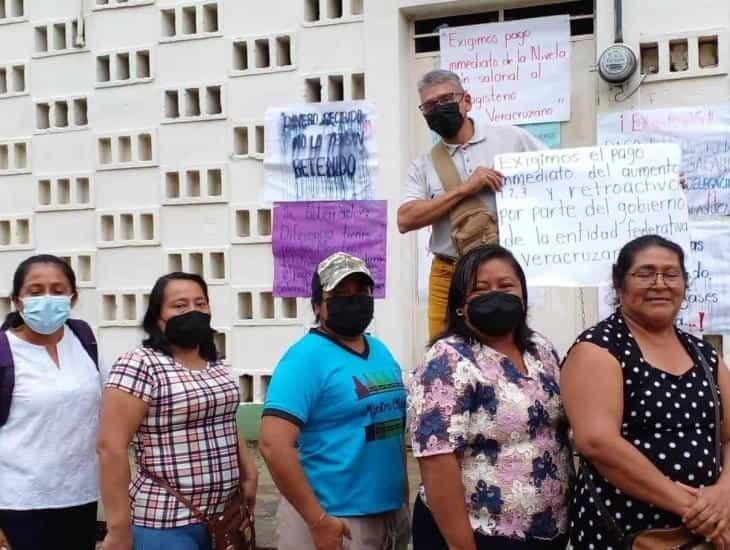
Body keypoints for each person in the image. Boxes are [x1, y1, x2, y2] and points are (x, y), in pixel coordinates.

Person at [561, 235, 730, 548]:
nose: (660, 283)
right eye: (645, 273)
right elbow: (597, 443)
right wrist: (695, 509)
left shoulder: (704, 355)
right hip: (629, 534)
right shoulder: (599, 349)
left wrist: (723, 494)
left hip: (705, 533)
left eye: (671, 274)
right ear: (619, 283)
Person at [408, 245, 571, 550]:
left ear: (523, 294)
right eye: (480, 289)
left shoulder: (540, 349)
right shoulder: (447, 360)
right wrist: (461, 545)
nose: (495, 294)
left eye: (506, 285)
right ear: (459, 304)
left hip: (547, 530)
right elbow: (437, 460)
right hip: (478, 533)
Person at [259, 252, 410, 550]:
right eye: (339, 294)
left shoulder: (380, 350)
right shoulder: (304, 359)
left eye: (361, 292)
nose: (353, 300)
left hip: (389, 513)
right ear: (318, 305)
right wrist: (318, 520)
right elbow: (273, 445)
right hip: (335, 519)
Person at [98, 272, 258, 550]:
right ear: (158, 317)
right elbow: (110, 447)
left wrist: (250, 472)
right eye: (180, 306)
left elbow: (224, 421)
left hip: (223, 515)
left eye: (201, 303)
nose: (193, 311)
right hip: (164, 519)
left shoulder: (214, 362)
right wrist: (118, 527)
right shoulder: (140, 364)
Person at [397, 69, 545, 340]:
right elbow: (405, 219)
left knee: (508, 341)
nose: (438, 109)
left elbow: (557, 175)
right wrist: (466, 189)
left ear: (467, 101)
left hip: (501, 269)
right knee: (444, 350)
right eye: (429, 105)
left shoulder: (511, 139)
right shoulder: (423, 165)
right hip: (448, 271)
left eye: (445, 99)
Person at [0, 254, 103, 550]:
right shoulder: (5, 351)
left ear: (73, 298)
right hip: (17, 504)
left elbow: (111, 401)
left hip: (79, 497)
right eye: (35, 291)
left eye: (58, 291)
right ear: (17, 301)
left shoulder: (84, 340)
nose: (47, 298)